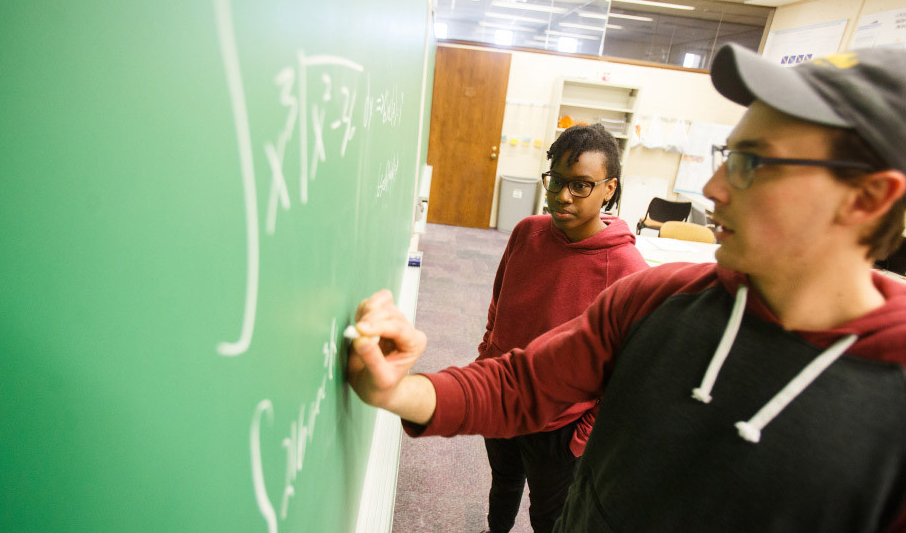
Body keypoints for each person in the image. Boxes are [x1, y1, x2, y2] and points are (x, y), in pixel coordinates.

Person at [347, 43, 906, 532]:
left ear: (868, 198)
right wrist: (399, 391)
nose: (712, 189)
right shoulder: (657, 301)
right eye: (729, 156)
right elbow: (523, 384)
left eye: (753, 164)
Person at [478, 124, 648, 533]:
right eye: (556, 181)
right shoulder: (527, 232)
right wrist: (487, 358)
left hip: (559, 426)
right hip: (502, 394)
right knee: (502, 485)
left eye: (581, 185)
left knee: (549, 517)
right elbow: (500, 304)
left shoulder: (628, 271)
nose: (562, 195)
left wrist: (583, 433)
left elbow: (628, 371)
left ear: (609, 189)